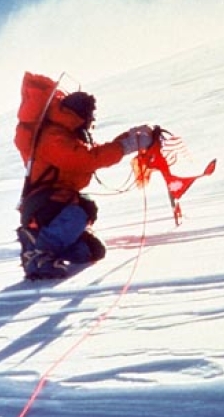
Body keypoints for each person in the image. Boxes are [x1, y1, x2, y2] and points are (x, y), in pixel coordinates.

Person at [17, 90, 155, 279]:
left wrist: (130, 138)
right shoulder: (53, 136)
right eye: (91, 115)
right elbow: (86, 158)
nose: (92, 120)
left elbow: (94, 152)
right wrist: (127, 146)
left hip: (54, 200)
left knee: (91, 251)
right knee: (81, 210)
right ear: (81, 114)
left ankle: (46, 243)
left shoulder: (69, 133)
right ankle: (37, 254)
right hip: (41, 203)